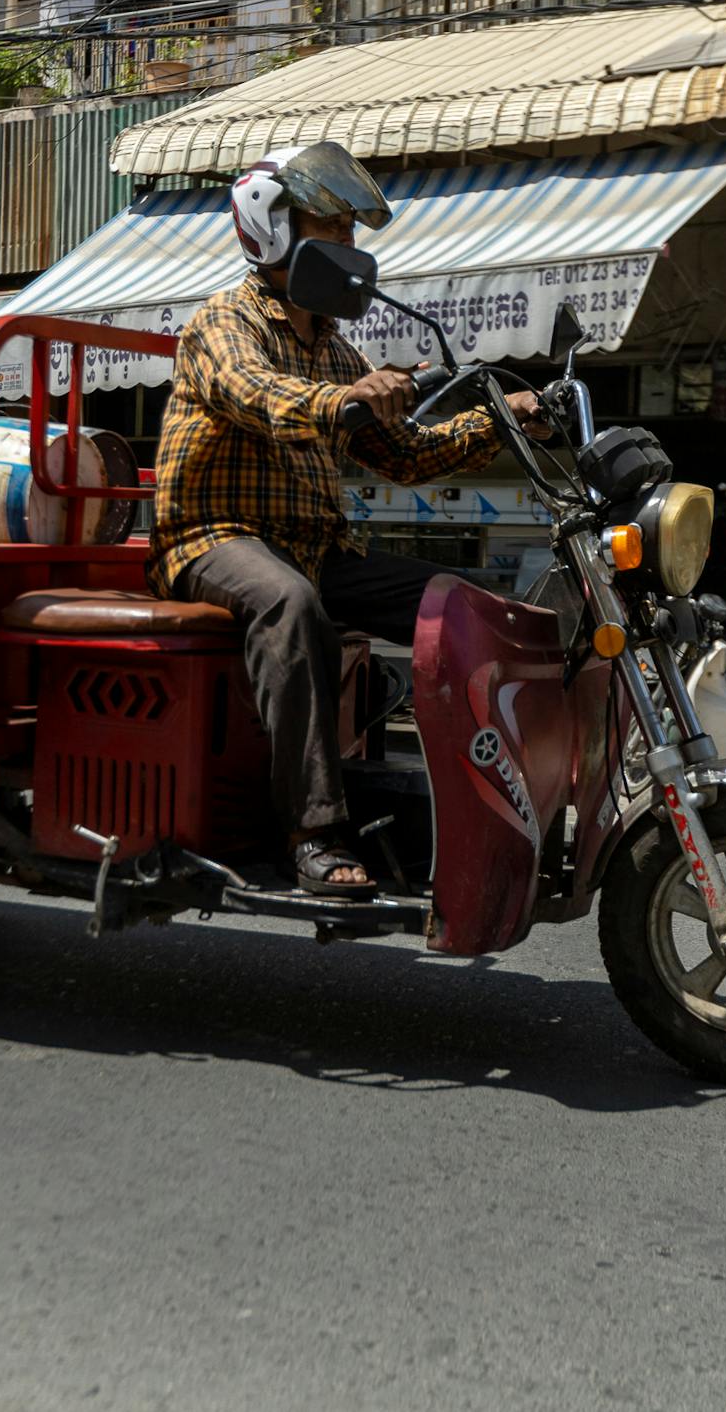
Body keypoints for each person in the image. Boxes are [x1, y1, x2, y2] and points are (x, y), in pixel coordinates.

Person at [147, 140, 553, 899]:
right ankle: (315, 833)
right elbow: (255, 394)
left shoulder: (334, 349)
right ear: (271, 229)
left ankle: (494, 803)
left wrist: (505, 420)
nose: (348, 247)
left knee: (460, 604)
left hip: (315, 547)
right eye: (329, 228)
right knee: (290, 603)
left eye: (349, 231)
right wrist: (346, 399)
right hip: (212, 539)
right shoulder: (223, 323)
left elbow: (406, 456)